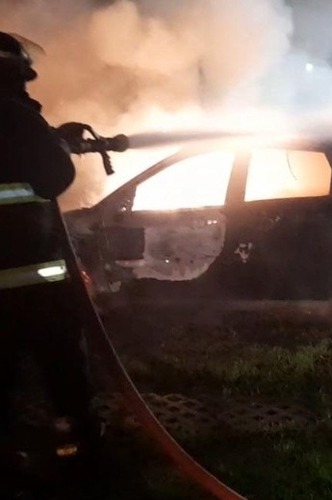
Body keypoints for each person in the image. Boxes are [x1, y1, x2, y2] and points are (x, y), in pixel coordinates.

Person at [0, 31, 102, 498]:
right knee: (64, 376)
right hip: (32, 288)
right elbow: (53, 177)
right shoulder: (16, 116)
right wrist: (58, 145)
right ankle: (79, 459)